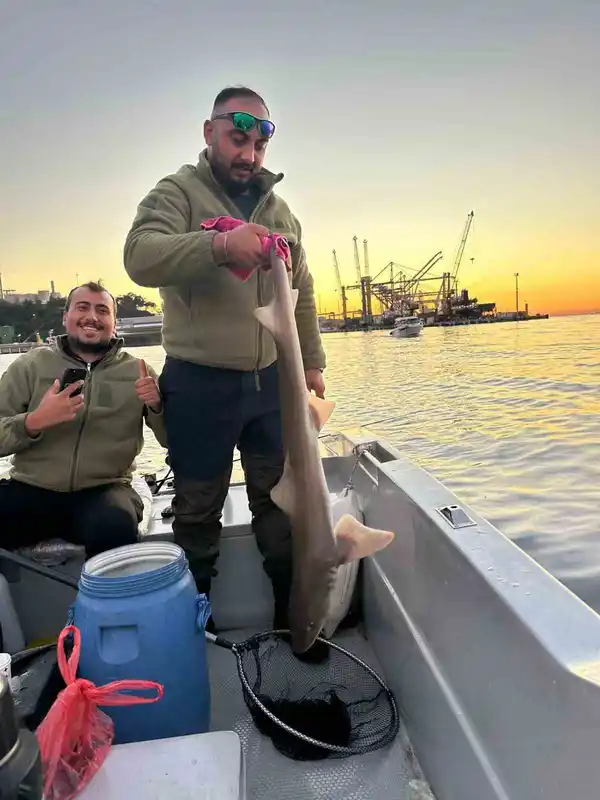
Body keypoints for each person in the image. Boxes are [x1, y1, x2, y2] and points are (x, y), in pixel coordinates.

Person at [123, 86, 326, 628]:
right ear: (209, 132)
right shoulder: (177, 192)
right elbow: (139, 255)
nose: (249, 154)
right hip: (198, 383)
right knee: (196, 512)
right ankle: (199, 626)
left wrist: (311, 363)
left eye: (259, 145)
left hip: (271, 386)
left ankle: (293, 621)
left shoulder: (281, 212)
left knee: (280, 509)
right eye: (238, 138)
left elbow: (302, 291)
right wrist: (217, 246)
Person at [0, 281, 167, 559]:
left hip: (104, 491)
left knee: (115, 526)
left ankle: (104, 603)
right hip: (31, 489)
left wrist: (158, 406)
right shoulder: (29, 366)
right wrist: (34, 421)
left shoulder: (139, 371)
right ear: (65, 317)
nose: (92, 316)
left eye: (102, 310)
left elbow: (172, 442)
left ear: (114, 323)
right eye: (82, 307)